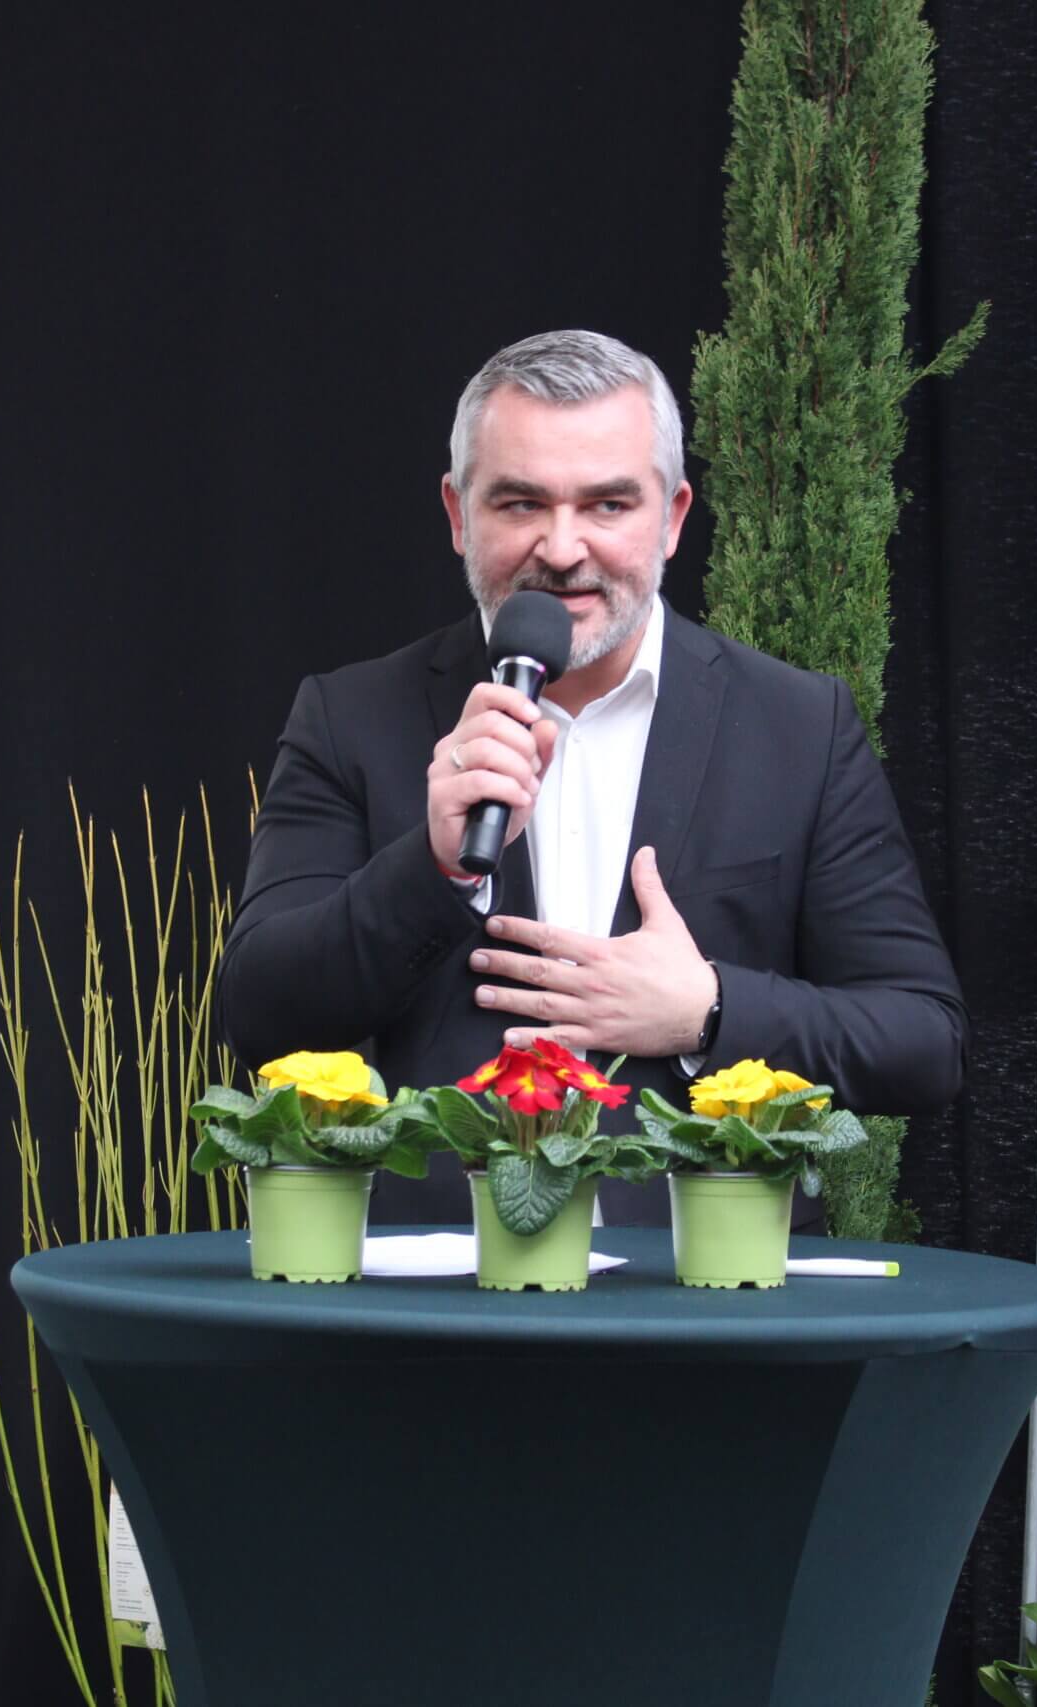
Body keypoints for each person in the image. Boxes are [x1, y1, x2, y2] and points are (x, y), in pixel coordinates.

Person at [214, 329, 966, 1226]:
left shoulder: (799, 727)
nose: (562, 549)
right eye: (521, 502)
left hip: (703, 1308)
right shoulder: (352, 717)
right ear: (458, 514)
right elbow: (260, 1010)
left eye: (608, 504)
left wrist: (708, 1010)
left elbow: (924, 1043)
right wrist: (436, 869)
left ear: (674, 516)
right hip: (429, 1315)